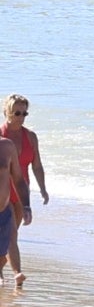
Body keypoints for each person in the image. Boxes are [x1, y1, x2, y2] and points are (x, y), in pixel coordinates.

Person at [1, 95, 46, 287]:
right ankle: (17, 273)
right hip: (3, 191)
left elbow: (36, 165)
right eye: (16, 112)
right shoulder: (2, 139)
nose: (20, 117)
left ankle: (2, 270)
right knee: (10, 234)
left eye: (24, 113)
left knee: (11, 235)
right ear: (6, 112)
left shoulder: (30, 137)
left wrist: (43, 189)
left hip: (20, 190)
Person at [0, 121, 32, 288]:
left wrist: (26, 206)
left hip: (3, 212)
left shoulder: (6, 146)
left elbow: (18, 180)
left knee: (2, 255)